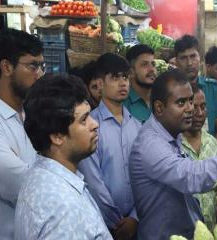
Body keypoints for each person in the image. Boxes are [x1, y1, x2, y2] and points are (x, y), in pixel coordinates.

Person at [129, 69, 217, 240]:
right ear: (159, 108)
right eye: (181, 103)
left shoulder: (171, 136)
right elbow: (191, 176)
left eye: (190, 101)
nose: (190, 108)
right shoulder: (150, 144)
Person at [15, 75, 112, 239]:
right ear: (57, 136)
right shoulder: (63, 209)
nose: (95, 124)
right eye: (84, 119)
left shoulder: (47, 178)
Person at [78, 53, 140, 240]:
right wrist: (116, 222)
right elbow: (93, 181)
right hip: (101, 224)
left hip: (137, 223)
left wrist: (135, 218)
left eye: (125, 77)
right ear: (99, 84)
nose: (123, 83)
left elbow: (146, 174)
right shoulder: (89, 125)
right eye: (115, 77)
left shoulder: (138, 126)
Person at [0, 28, 44, 240]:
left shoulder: (30, 113)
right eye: (32, 66)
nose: (39, 74)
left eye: (41, 66)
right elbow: (19, 181)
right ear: (7, 67)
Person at [174, 35, 217, 147]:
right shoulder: (171, 91)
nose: (189, 63)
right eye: (183, 58)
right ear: (176, 61)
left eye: (193, 56)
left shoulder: (213, 88)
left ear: (200, 58)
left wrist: (207, 157)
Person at [180, 85, 217, 230]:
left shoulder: (213, 144)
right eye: (194, 107)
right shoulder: (174, 145)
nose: (199, 113)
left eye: (203, 107)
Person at [123, 44, 157, 123]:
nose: (151, 69)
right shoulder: (122, 105)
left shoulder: (162, 99)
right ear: (131, 72)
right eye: (144, 64)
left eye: (153, 64)